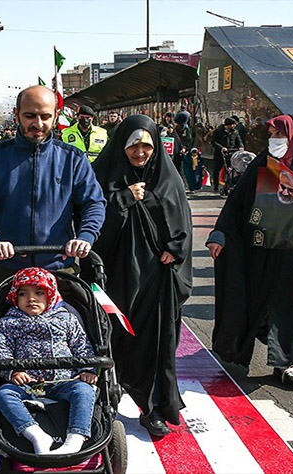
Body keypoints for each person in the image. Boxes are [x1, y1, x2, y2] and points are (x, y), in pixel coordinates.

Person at [206, 115, 293, 390]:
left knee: (292, 308)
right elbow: (236, 202)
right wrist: (219, 235)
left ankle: (285, 364)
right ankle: (239, 354)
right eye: (272, 133)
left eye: (280, 133)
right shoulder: (261, 164)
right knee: (253, 302)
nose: (274, 138)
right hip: (259, 251)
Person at [91, 115, 193, 437]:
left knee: (153, 343)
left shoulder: (167, 177)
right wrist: (122, 198)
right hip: (113, 275)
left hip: (154, 277)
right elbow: (90, 218)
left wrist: (176, 249)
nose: (140, 152)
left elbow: (182, 221)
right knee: (109, 338)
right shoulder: (102, 175)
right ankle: (102, 400)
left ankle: (152, 409)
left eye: (146, 145)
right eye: (134, 145)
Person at [0, 85, 106, 279]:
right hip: (8, 268)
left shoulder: (73, 159)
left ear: (56, 116)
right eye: (30, 116)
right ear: (17, 114)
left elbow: (93, 203)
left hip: (59, 268)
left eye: (45, 117)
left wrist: (85, 237)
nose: (38, 124)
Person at [0, 268, 97, 455]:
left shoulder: (67, 319)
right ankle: (35, 434)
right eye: (23, 294)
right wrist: (13, 371)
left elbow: (82, 346)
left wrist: (88, 369)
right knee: (2, 394)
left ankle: (76, 437)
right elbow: (2, 351)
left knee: (84, 390)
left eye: (39, 293)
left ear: (51, 296)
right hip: (28, 385)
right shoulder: (7, 323)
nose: (31, 299)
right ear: (15, 298)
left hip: (64, 381)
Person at [209, 117, 244, 194]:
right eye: (233, 125)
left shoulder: (235, 132)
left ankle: (229, 184)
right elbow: (213, 142)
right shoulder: (218, 131)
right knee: (216, 170)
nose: (234, 126)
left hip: (231, 153)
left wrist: (241, 147)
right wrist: (222, 148)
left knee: (230, 170)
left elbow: (239, 141)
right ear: (228, 125)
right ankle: (216, 186)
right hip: (220, 154)